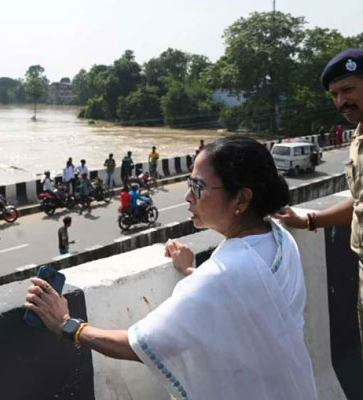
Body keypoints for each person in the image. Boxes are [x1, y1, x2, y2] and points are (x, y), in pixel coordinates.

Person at [25, 136, 317, 399]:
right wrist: (193, 272)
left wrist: (67, 324)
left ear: (241, 198)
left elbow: (141, 344)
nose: (188, 197)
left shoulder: (223, 276)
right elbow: (245, 299)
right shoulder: (279, 239)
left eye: (198, 187)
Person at [276, 48, 363, 399]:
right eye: (334, 95)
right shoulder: (360, 138)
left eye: (347, 90)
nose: (340, 101)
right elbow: (362, 203)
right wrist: (309, 220)